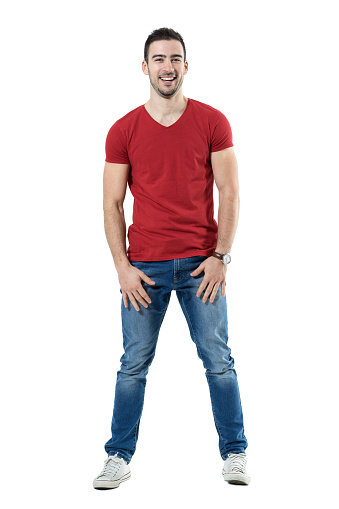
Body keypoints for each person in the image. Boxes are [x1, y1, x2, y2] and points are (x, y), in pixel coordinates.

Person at [93, 27, 250, 489]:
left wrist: (222, 255)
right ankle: (117, 456)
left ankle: (235, 452)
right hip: (145, 269)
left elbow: (231, 192)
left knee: (218, 360)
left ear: (186, 65)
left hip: (202, 265)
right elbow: (111, 204)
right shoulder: (123, 129)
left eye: (175, 58)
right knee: (133, 364)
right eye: (158, 59)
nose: (167, 66)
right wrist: (122, 268)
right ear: (145, 67)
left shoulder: (212, 121)